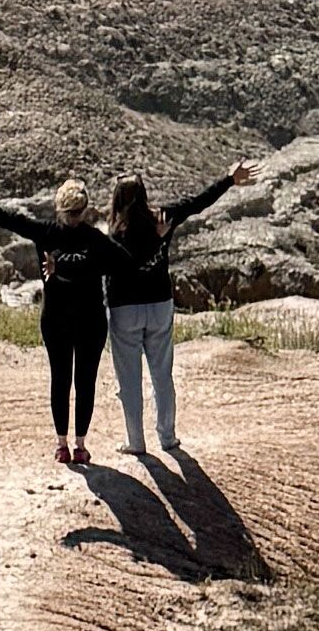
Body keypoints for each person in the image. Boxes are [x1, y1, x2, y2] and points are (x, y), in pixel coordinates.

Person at [0, 173, 118, 466]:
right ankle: (81, 445)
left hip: (55, 318)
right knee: (85, 381)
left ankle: (62, 445)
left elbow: (5, 218)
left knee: (60, 378)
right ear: (85, 210)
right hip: (91, 320)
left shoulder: (44, 232)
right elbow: (124, 260)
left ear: (59, 207)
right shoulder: (95, 239)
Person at [96, 164, 255, 454]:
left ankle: (135, 441)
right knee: (162, 374)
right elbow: (198, 202)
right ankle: (167, 437)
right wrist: (229, 179)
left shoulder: (113, 234)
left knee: (129, 380)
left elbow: (116, 266)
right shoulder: (163, 217)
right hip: (159, 305)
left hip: (124, 311)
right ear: (144, 195)